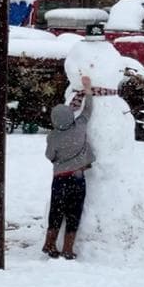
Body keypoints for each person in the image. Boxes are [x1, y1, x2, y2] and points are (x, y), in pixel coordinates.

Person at [42, 76, 94, 260]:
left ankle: (49, 243)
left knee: (56, 211)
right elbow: (88, 110)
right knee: (74, 212)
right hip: (78, 178)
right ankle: (68, 248)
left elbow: (50, 156)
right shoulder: (80, 126)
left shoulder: (53, 136)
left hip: (60, 179)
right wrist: (88, 89)